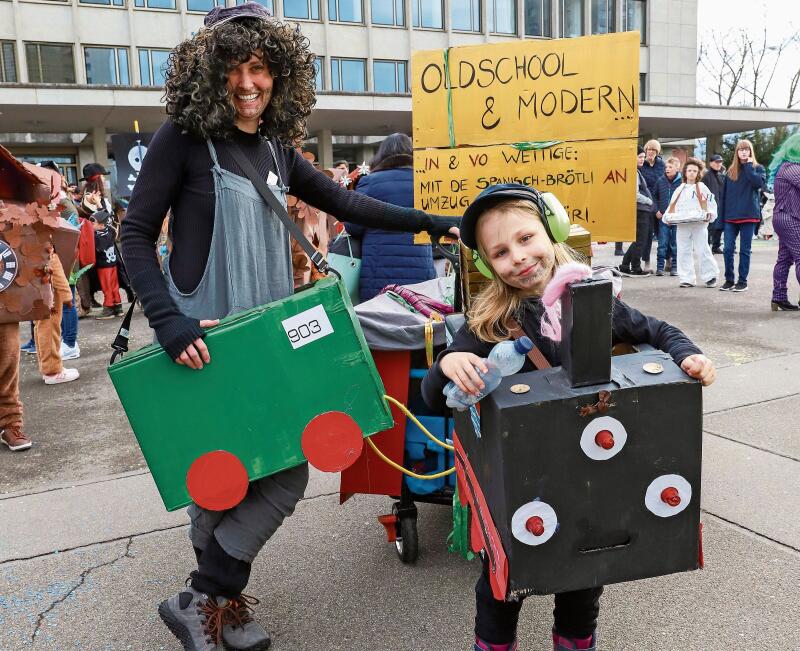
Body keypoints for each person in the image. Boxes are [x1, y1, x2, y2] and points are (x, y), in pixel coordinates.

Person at [119, 5, 459, 650]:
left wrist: (434, 222)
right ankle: (219, 606)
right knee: (217, 473)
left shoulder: (276, 148)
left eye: (260, 69)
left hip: (270, 339)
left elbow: (348, 201)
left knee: (284, 467)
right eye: (233, 70)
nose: (248, 84)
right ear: (206, 75)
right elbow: (133, 233)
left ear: (280, 76)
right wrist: (168, 320)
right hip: (207, 338)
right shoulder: (181, 138)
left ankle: (205, 597)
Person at [419, 183, 715, 651]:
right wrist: (446, 365)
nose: (517, 257)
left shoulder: (594, 300)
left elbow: (659, 331)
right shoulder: (491, 324)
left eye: (526, 238)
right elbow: (434, 398)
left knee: (584, 572)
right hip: (519, 477)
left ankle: (575, 641)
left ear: (551, 231)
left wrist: (689, 356)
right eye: (500, 252)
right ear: (485, 265)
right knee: (501, 586)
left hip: (586, 474)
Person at [344, 133, 436, 300]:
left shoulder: (370, 182)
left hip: (378, 271)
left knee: (379, 321)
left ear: (381, 154)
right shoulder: (424, 181)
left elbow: (353, 226)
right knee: (419, 319)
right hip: (420, 267)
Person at [718, 139, 766, 292]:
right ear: (737, 152)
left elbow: (758, 184)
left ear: (750, 151)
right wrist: (721, 219)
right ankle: (729, 280)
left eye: (746, 149)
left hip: (749, 216)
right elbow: (723, 197)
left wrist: (747, 166)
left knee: (745, 250)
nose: (744, 152)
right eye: (741, 149)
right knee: (727, 249)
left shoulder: (757, 168)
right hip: (730, 217)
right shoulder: (730, 171)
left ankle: (742, 281)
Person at [666, 157, 719, 288]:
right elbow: (671, 206)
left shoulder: (701, 187)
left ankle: (710, 276)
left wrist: (710, 215)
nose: (691, 173)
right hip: (682, 225)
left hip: (699, 224)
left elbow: (711, 204)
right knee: (683, 251)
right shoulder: (680, 189)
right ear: (684, 172)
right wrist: (667, 218)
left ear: (698, 173)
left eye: (694, 171)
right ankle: (686, 278)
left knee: (703, 249)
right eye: (689, 170)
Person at [34, 248, 80, 385]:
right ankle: (53, 371)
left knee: (41, 326)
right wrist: (67, 294)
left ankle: (47, 367)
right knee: (49, 328)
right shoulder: (42, 233)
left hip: (37, 285)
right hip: (49, 289)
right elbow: (52, 260)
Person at [767, 133, 800, 311]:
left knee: (784, 259)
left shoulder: (786, 167)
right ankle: (778, 296)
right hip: (790, 218)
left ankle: (778, 297)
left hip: (784, 218)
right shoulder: (793, 169)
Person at [617, 146, 654, 277]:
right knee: (640, 241)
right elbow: (634, 194)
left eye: (643, 157)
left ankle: (625, 265)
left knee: (638, 239)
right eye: (640, 157)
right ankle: (636, 267)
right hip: (640, 210)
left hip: (640, 210)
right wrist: (650, 201)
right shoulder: (633, 172)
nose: (642, 159)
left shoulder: (636, 171)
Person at [639, 139, 665, 271]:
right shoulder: (641, 165)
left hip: (660, 203)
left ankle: (668, 260)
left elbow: (665, 181)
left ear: (657, 152)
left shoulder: (661, 164)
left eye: (653, 150)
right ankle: (646, 262)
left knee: (664, 233)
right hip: (647, 203)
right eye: (648, 149)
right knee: (647, 234)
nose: (650, 152)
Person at [654, 157, 681, 276]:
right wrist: (656, 210)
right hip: (663, 218)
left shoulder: (682, 183)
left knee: (675, 244)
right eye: (666, 167)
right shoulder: (660, 181)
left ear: (677, 168)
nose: (667, 169)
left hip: (677, 219)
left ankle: (675, 267)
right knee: (662, 244)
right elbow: (654, 197)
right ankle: (660, 267)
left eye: (670, 167)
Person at [92, 209, 122, 318]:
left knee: (106, 286)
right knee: (114, 285)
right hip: (113, 264)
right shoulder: (110, 231)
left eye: (93, 222)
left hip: (104, 266)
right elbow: (113, 228)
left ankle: (108, 308)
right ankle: (118, 307)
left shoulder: (96, 236)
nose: (92, 224)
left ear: (100, 225)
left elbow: (97, 249)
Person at [705, 154, 726, 253]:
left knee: (719, 227)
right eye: (716, 162)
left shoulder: (721, 176)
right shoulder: (706, 176)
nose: (719, 164)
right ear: (711, 163)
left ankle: (716, 246)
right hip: (711, 206)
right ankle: (707, 247)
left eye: (720, 162)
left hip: (721, 205)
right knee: (710, 228)